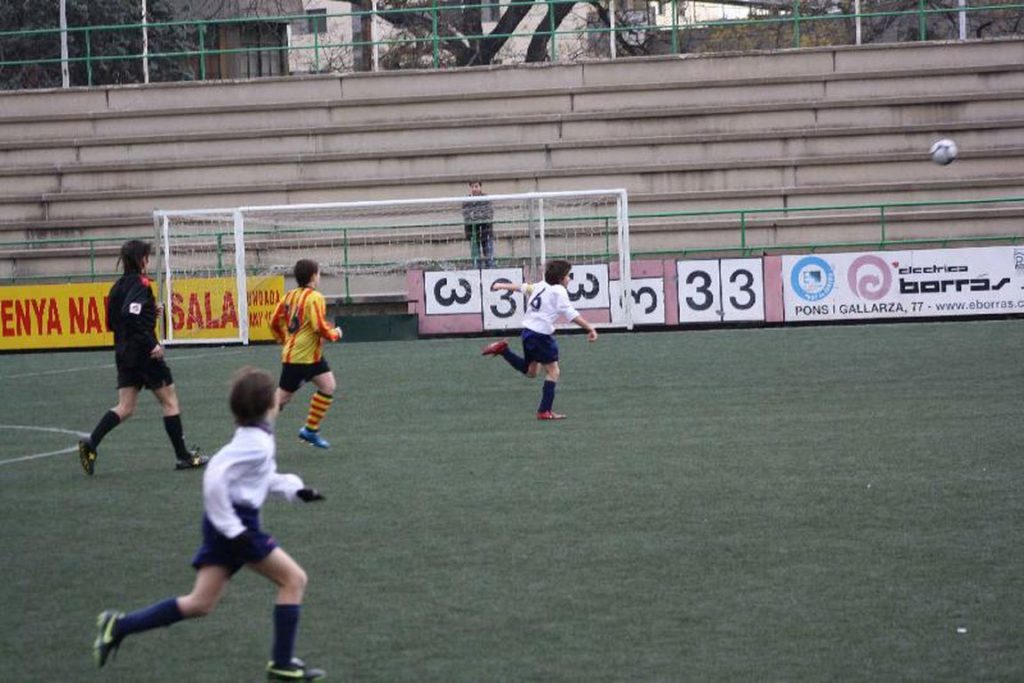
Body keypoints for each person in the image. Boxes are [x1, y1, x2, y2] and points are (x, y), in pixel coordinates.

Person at [92, 367, 327, 681]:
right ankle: (281, 663)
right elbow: (215, 474)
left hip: (225, 526)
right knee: (294, 580)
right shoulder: (255, 442)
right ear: (268, 405)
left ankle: (119, 625)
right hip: (235, 525)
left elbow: (259, 477)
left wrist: (294, 490)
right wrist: (234, 530)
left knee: (200, 603)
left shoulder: (255, 437)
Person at [77, 239, 207, 475]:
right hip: (143, 353)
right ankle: (183, 456)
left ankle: (91, 443)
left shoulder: (116, 287)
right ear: (141, 260)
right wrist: (152, 343)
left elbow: (112, 322)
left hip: (124, 353)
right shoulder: (141, 283)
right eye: (147, 257)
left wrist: (149, 311)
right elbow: (130, 313)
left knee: (125, 407)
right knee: (170, 401)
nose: (149, 261)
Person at [481, 259, 598, 420]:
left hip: (528, 332)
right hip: (541, 335)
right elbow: (571, 314)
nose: (569, 279)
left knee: (531, 372)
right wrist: (589, 328)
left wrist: (502, 286)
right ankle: (544, 411)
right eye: (568, 276)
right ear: (560, 279)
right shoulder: (559, 291)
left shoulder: (541, 285)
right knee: (553, 371)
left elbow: (523, 287)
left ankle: (503, 350)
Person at [269, 259, 343, 449]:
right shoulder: (315, 298)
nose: (319, 277)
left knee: (328, 385)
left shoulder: (289, 296)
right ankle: (256, 434)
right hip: (300, 359)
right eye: (318, 273)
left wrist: (283, 339)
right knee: (281, 399)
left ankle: (310, 430)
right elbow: (319, 326)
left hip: (311, 356)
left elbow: (273, 321)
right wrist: (335, 333)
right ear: (313, 276)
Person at [461, 180, 495, 269]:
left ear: (480, 187)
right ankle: (477, 273)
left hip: (486, 230)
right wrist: (478, 215)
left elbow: (488, 214)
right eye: (472, 187)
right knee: (476, 257)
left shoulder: (486, 198)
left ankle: (490, 272)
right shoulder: (466, 200)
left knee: (488, 255)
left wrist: (475, 215)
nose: (474, 189)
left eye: (476, 186)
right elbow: (466, 215)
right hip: (472, 232)